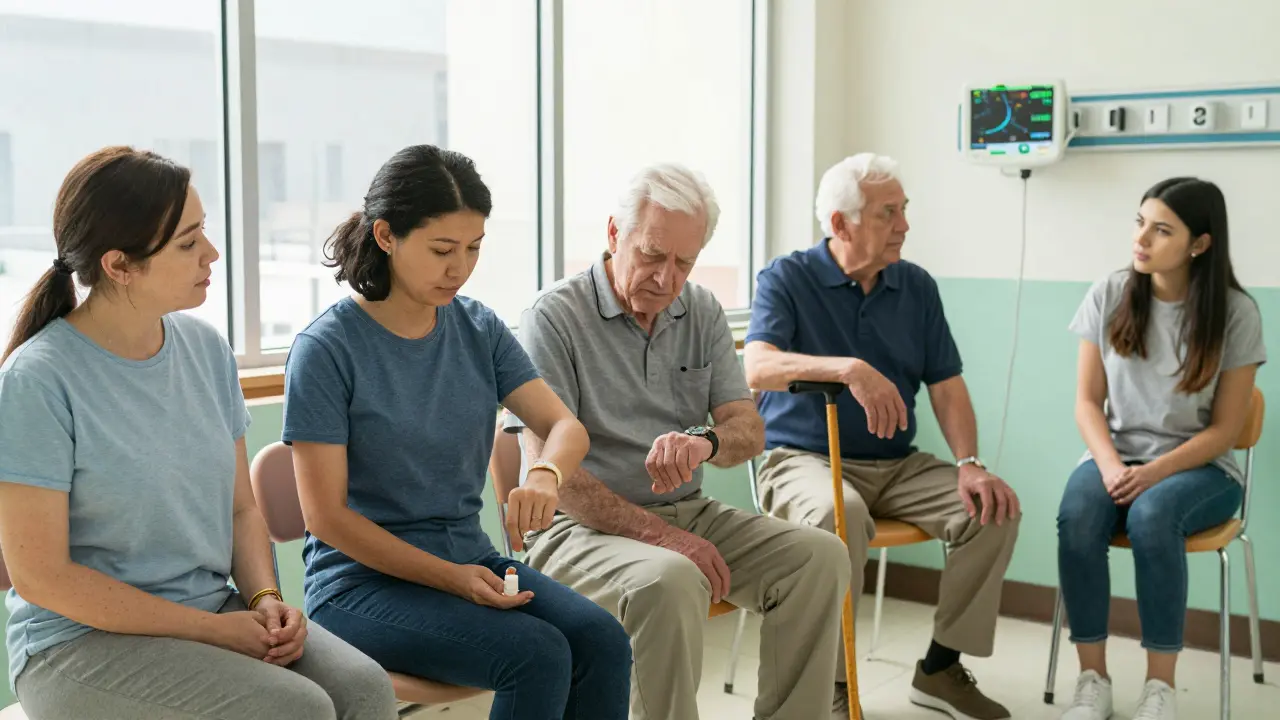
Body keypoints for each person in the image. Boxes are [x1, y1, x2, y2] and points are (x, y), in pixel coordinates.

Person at [0, 147, 397, 720]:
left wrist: (264, 599)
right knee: (295, 710)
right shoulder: (37, 381)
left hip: (213, 608)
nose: (211, 252)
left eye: (203, 231)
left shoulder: (207, 350)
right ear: (119, 265)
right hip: (77, 644)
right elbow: (42, 577)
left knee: (364, 689)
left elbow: (240, 509)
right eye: (188, 243)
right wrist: (210, 629)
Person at [283, 145, 632, 720]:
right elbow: (326, 518)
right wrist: (452, 579)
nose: (460, 268)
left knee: (603, 641)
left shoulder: (478, 327)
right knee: (536, 655)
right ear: (386, 236)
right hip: (359, 587)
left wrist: (545, 474)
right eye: (442, 250)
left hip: (470, 562)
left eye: (473, 248)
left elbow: (565, 426)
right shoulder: (326, 350)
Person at [505, 163, 852, 720]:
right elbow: (557, 480)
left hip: (687, 512)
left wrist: (707, 443)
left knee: (819, 557)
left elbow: (749, 431)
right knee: (668, 581)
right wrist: (664, 537)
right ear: (614, 233)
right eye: (652, 254)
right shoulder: (552, 317)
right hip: (573, 530)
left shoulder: (702, 310)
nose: (666, 279)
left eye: (684, 263)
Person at [743, 153, 1020, 720]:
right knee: (839, 515)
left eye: (904, 209)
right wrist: (848, 369)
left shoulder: (915, 286)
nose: (904, 225)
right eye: (887, 213)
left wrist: (969, 462)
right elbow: (758, 367)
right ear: (840, 224)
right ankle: (833, 684)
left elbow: (947, 386)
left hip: (896, 465)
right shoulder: (787, 278)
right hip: (802, 459)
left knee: (993, 508)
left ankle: (940, 668)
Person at [1056, 177, 1265, 720]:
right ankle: (1092, 681)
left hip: (1203, 469)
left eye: (1162, 230)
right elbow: (1086, 403)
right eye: (1140, 222)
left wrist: (1152, 474)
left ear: (1200, 244)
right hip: (1116, 458)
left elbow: (1225, 431)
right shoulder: (1109, 293)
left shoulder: (1236, 312)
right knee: (1078, 515)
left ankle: (1160, 688)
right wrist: (1110, 466)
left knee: (1152, 517)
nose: (1141, 238)